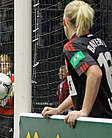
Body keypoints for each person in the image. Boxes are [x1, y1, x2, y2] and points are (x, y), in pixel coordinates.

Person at [42, 0, 112, 128]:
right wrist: (59, 109)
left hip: (97, 122)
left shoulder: (72, 47)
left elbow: (95, 73)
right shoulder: (99, 42)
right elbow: (81, 91)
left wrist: (84, 111)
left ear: (65, 22)